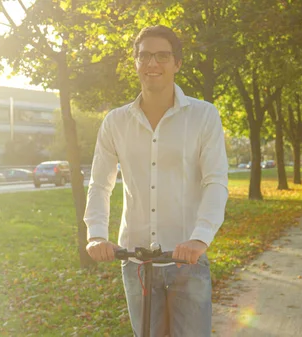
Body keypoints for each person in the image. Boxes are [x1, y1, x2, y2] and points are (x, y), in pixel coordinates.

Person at [83, 25, 228, 337]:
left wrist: (200, 238)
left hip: (187, 260)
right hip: (135, 261)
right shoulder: (115, 122)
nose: (152, 64)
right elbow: (100, 183)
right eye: (145, 56)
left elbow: (215, 182)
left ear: (177, 63)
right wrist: (96, 234)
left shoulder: (204, 116)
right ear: (135, 62)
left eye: (162, 56)